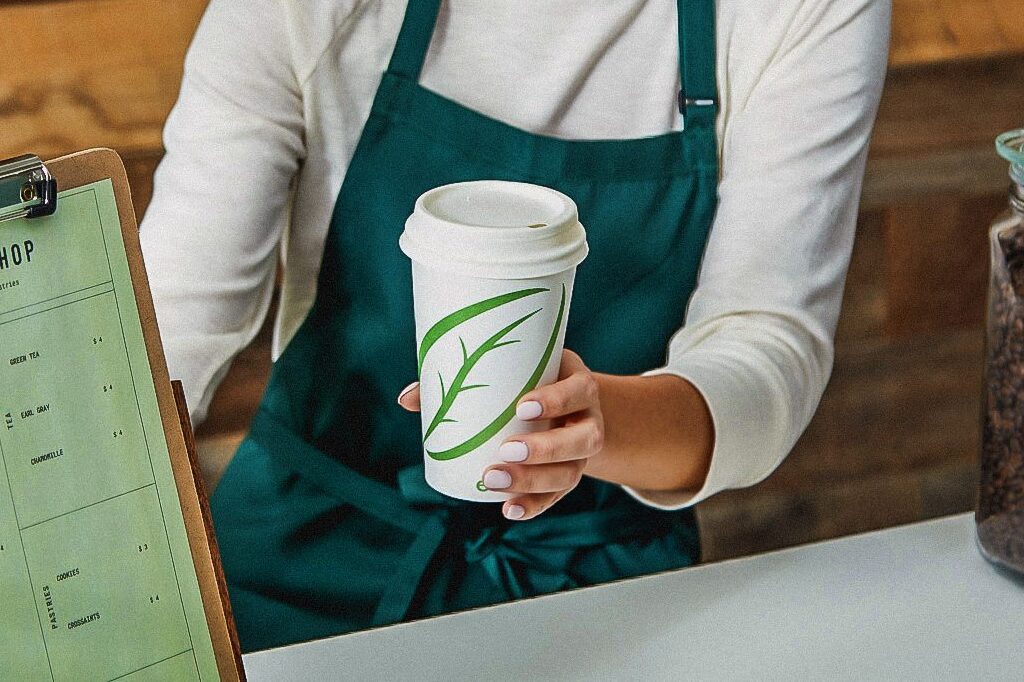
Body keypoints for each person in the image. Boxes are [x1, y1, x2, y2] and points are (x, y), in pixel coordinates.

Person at [140, 0, 890, 652]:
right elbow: (173, 319)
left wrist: (597, 427)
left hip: (596, 589)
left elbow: (766, 341)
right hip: (296, 556)